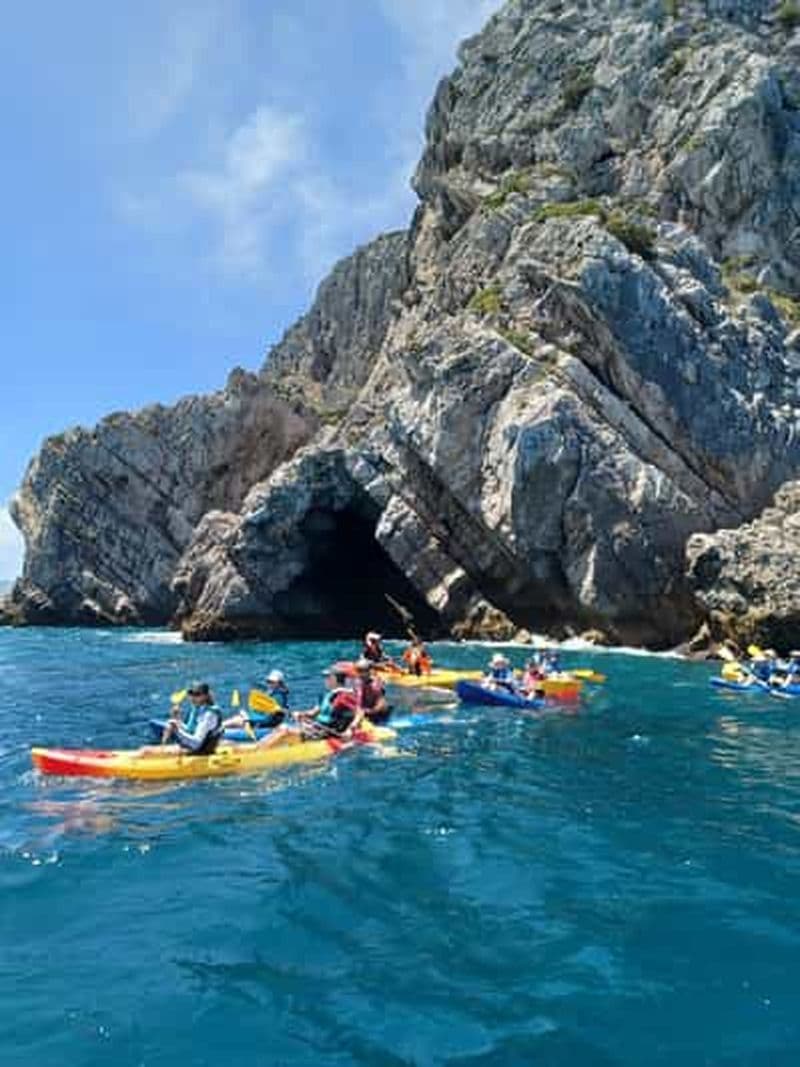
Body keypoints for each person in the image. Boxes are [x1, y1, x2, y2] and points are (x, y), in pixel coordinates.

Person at [255, 668, 364, 749]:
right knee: (281, 727)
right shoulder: (326, 695)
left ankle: (257, 751)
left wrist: (350, 729)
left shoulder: (345, 696)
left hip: (327, 733)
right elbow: (314, 712)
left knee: (285, 730)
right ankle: (257, 747)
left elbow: (360, 712)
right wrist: (301, 714)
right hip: (316, 728)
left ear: (335, 679)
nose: (325, 680)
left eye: (327, 677)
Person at [141, 682, 224, 756]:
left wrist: (176, 731)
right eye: (190, 694)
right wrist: (177, 721)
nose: (193, 697)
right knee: (145, 749)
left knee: (145, 751)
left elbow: (196, 743)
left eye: (197, 694)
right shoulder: (197, 709)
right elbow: (190, 730)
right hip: (195, 748)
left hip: (200, 752)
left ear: (205, 696)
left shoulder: (209, 715)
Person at [354, 658, 390, 724]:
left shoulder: (375, 685)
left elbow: (380, 702)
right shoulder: (357, 682)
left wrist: (370, 711)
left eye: (363, 671)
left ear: (369, 671)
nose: (360, 674)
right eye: (358, 671)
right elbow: (357, 699)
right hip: (364, 709)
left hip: (377, 712)